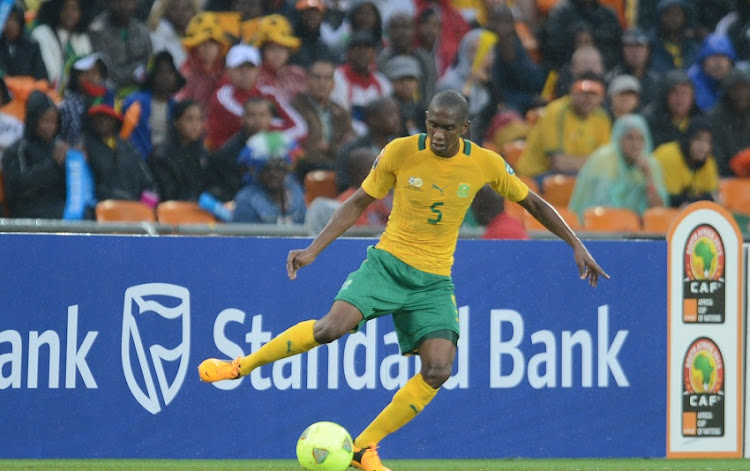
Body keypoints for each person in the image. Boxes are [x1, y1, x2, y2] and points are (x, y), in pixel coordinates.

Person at [198, 90, 609, 471]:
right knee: (328, 329)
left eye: (449, 128)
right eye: (434, 124)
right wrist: (312, 250)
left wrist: (576, 244)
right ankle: (240, 366)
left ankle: (364, 447)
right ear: (426, 120)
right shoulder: (399, 152)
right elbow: (359, 200)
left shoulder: (484, 161)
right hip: (386, 266)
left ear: (464, 129)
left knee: (439, 368)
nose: (439, 134)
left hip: (433, 282)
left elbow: (533, 202)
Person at [568, 114, 668, 220]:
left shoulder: (651, 164)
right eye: (630, 138)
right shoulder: (604, 159)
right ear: (618, 139)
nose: (635, 145)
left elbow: (658, 210)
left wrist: (648, 177)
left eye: (640, 139)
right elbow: (597, 206)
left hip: (637, 231)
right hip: (603, 228)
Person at [1, 90, 67, 219]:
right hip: (27, 216)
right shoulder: (17, 150)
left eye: (54, 121)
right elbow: (17, 188)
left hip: (60, 212)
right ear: (33, 120)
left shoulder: (58, 148)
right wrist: (52, 164)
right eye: (46, 121)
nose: (51, 127)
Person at [290, 59, 356, 181]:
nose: (322, 83)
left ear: (334, 83)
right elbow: (307, 148)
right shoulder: (296, 107)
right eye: (317, 77)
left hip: (337, 169)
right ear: (307, 80)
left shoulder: (340, 111)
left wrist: (329, 148)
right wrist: (336, 149)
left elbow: (351, 144)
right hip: (306, 171)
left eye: (327, 78)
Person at [148, 99, 211, 201]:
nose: (195, 125)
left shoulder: (204, 154)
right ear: (176, 122)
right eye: (189, 119)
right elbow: (168, 194)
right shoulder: (161, 155)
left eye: (199, 119)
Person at [88, 0, 153, 94]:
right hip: (111, 90)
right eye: (118, 1)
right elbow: (105, 69)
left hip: (141, 90)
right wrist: (134, 74)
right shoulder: (97, 30)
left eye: (128, 2)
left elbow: (150, 62)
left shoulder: (142, 30)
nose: (123, 6)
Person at [653, 116, 719, 208]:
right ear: (688, 139)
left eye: (707, 141)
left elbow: (714, 197)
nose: (703, 146)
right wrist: (702, 199)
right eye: (698, 139)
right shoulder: (669, 155)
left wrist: (697, 200)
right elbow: (672, 201)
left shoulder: (708, 161)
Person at [31, 0, 94, 89]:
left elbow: (90, 71)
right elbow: (52, 76)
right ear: (55, 8)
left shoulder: (82, 38)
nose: (70, 13)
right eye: (65, 8)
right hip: (52, 93)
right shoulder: (42, 34)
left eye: (75, 9)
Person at [708, 68, 750, 177]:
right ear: (728, 91)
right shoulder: (714, 118)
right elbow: (714, 154)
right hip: (726, 177)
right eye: (736, 89)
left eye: (745, 88)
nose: (741, 94)